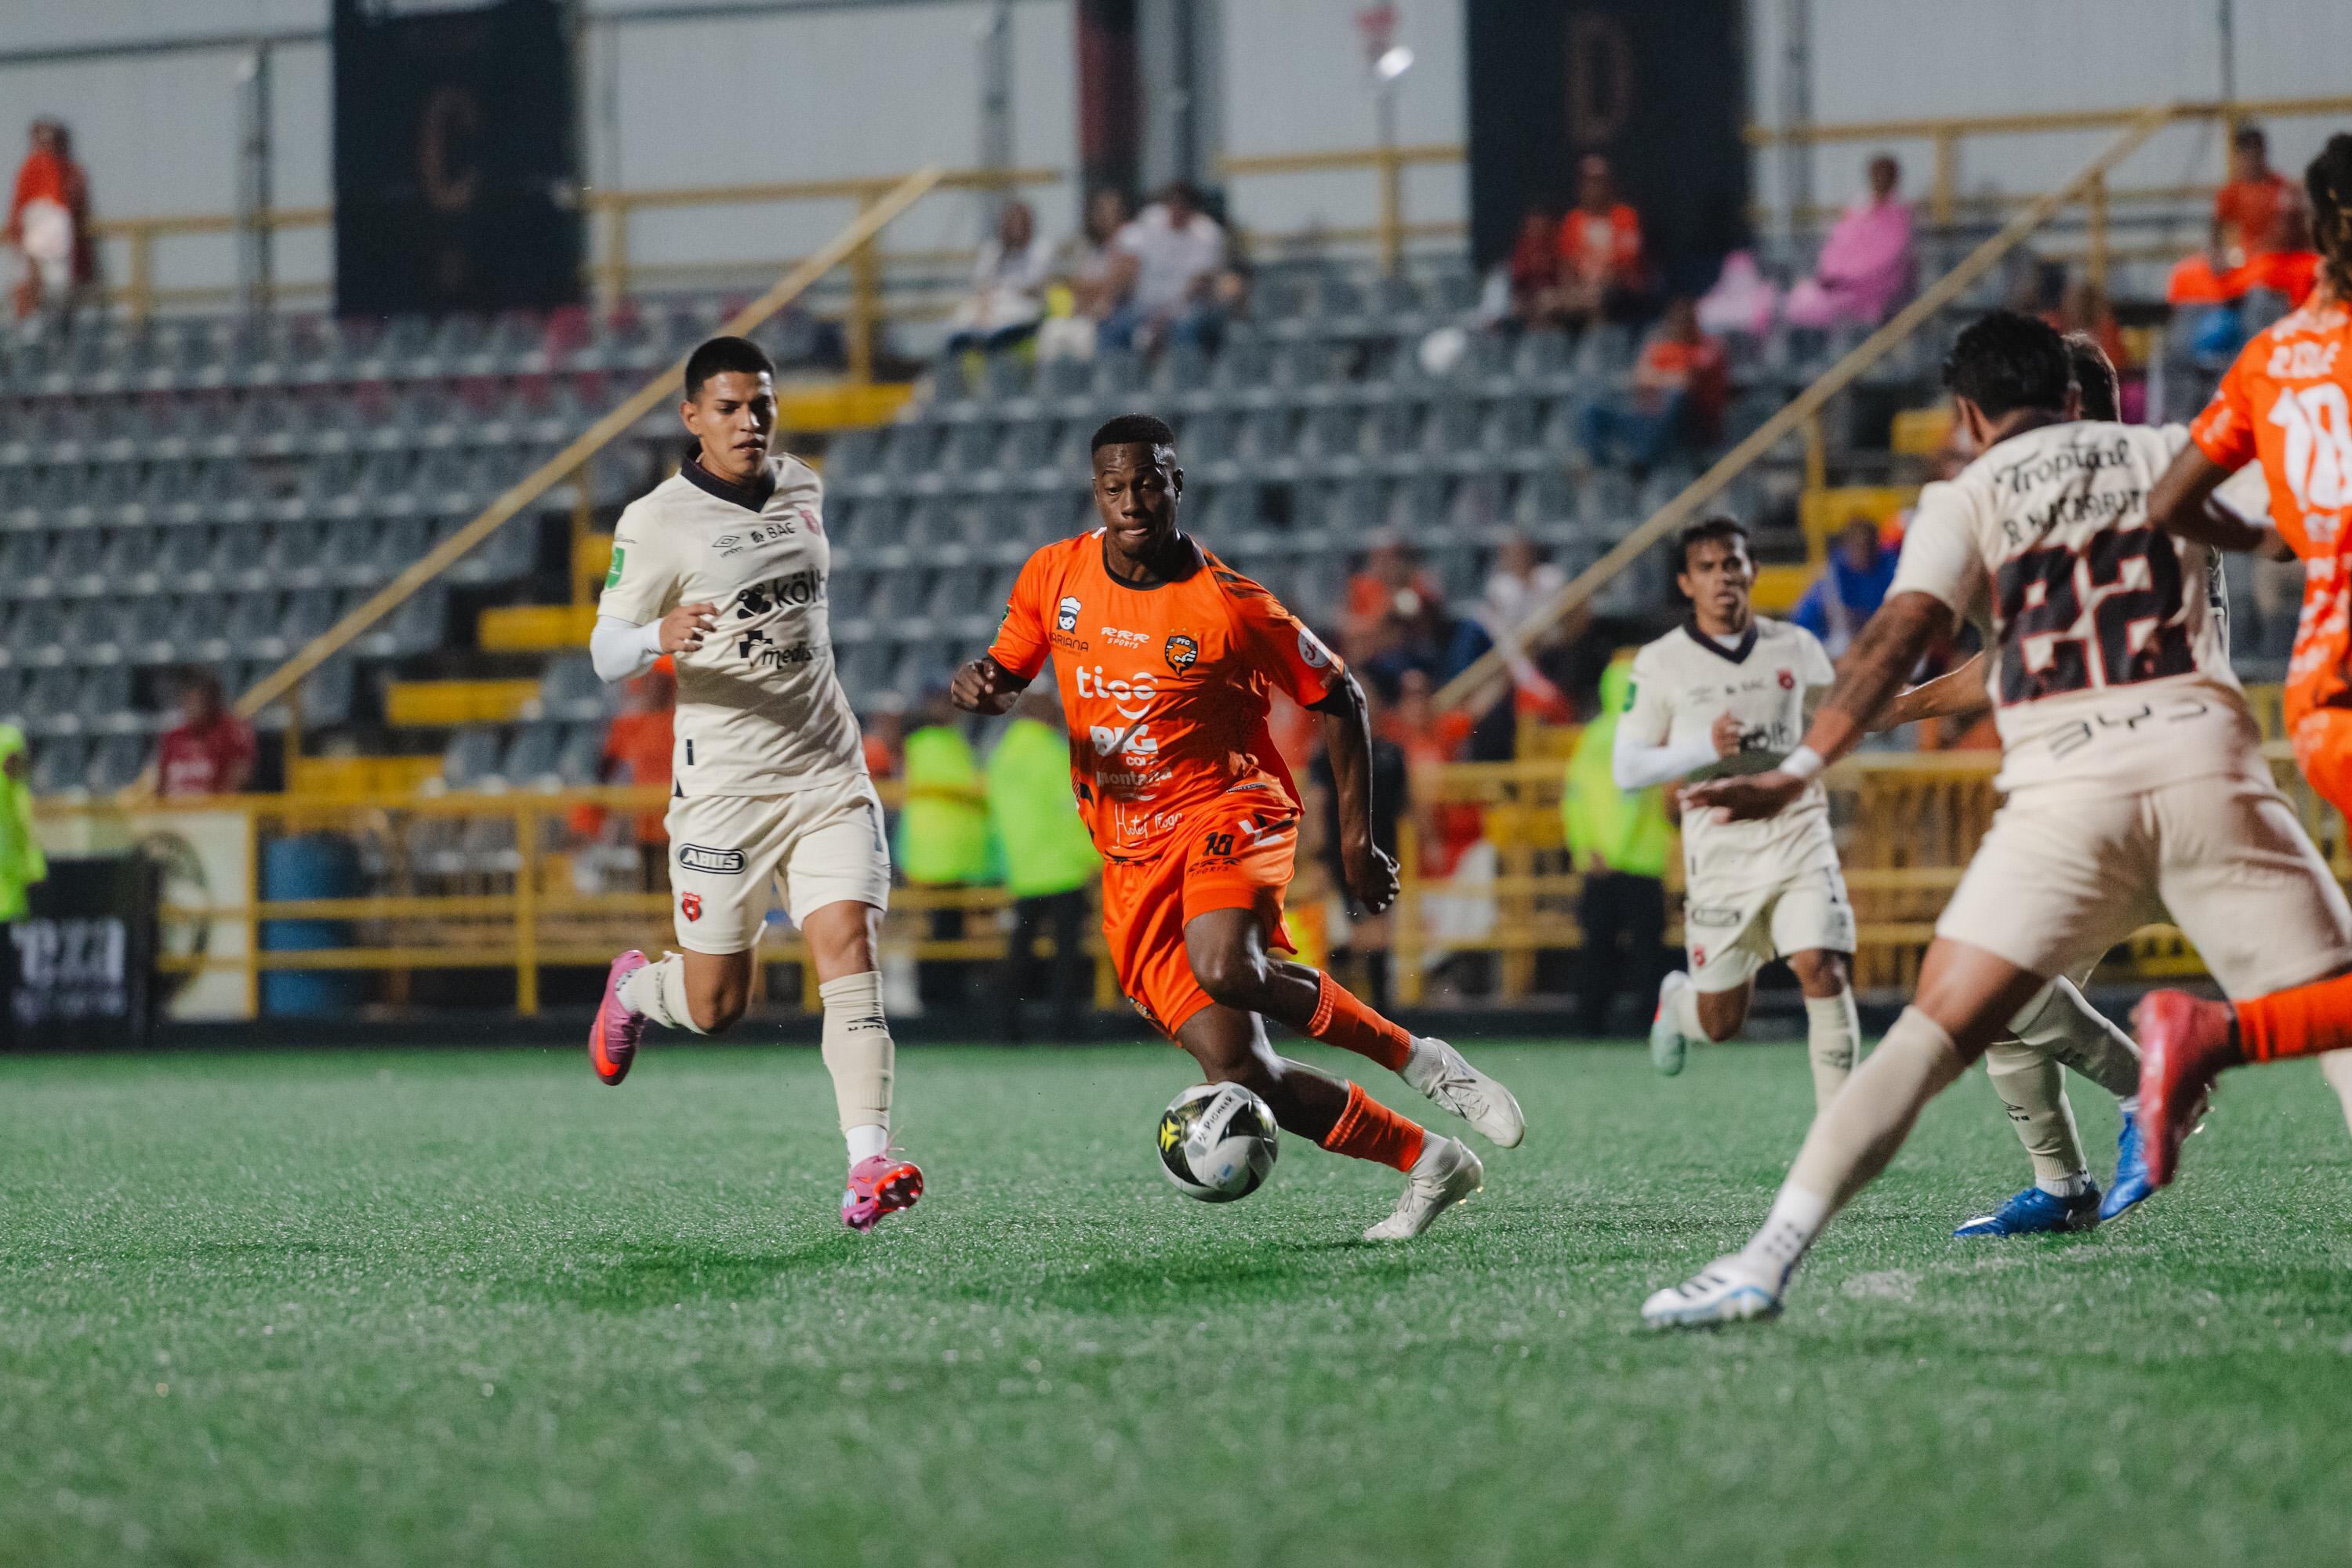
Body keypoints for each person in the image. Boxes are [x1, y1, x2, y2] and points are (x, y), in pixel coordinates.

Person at [1641, 311, 2352, 1327]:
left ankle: (1765, 1259)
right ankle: (2085, 1155)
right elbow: (2297, 528)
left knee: (1933, 1034)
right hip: (2207, 769)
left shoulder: (1968, 491)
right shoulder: (2173, 453)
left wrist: (1807, 760)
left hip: (2067, 796)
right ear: (2074, 396)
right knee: (2337, 1018)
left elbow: (1902, 631)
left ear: (1970, 414)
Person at [952, 414, 1525, 1241]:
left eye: (1149, 482)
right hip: (1131, 855)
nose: (1133, 501)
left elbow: (1342, 698)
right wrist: (983, 686)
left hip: (1232, 809)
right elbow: (1005, 670)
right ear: (1096, 492)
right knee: (1243, 1069)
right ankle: (1430, 1160)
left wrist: (1359, 842)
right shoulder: (1054, 574)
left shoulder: (1229, 603)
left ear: (1177, 484)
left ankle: (1425, 1060)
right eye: (1115, 487)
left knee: (1226, 963)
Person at [586, 335, 922, 1234]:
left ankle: (867, 1162)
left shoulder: (803, 486)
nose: (750, 420)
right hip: (727, 791)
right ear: (691, 417)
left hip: (826, 769)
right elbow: (603, 650)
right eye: (729, 406)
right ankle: (629, 992)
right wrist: (660, 632)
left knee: (848, 950)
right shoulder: (655, 520)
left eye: (762, 402)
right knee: (716, 1005)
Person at [2131, 134, 2352, 1180]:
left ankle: (2218, 1036)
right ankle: (2218, 1036)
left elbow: (2169, 500)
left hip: (2321, 685)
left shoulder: (2272, 357)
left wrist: (2272, 538)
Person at [1613, 517, 1861, 1109]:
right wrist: (1706, 749)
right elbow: (1628, 768)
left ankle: (1842, 1131)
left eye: (1732, 564)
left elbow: (1837, 722)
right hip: (1720, 847)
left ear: (1753, 571)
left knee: (1821, 965)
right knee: (1722, 1021)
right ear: (1686, 582)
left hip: (1797, 827)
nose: (1723, 577)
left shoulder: (1797, 647)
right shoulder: (1660, 662)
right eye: (1707, 567)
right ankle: (1677, 1004)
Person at [1563, 655, 1670, 1038]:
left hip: (1598, 864)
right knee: (1647, 952)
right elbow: (1635, 800)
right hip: (1639, 862)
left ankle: (1590, 1024)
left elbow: (1574, 798)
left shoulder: (1591, 736)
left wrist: (1586, 848)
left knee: (1597, 948)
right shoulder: (1642, 737)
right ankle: (1650, 1026)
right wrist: (1618, 851)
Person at [986, 686, 1100, 1042]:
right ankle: (1063, 1028)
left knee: (1020, 951)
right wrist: (1092, 858)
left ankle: (1006, 1027)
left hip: (1023, 869)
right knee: (1067, 954)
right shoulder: (1053, 755)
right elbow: (1073, 814)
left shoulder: (1002, 756)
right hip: (1063, 867)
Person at [1307, 675, 1409, 1014]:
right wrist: (1319, 854)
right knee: (1356, 932)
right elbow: (1319, 806)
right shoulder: (1327, 757)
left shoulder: (1390, 755)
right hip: (1344, 856)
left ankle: (1367, 1009)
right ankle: (1359, 1009)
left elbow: (1405, 808)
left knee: (1371, 931)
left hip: (1377, 853)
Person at [896, 685, 991, 1014]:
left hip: (949, 854)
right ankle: (937, 999)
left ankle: (943, 995)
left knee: (946, 928)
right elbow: (968, 783)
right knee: (939, 930)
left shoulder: (947, 742)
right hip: (937, 854)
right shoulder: (928, 743)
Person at [1578, 297, 1726, 471]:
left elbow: (1685, 380)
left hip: (1692, 426)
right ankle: (1604, 470)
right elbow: (1639, 376)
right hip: (1647, 419)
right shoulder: (1660, 347)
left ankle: (1644, 463)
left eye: (1686, 321)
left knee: (1677, 398)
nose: (1680, 326)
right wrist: (1665, 377)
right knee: (1592, 409)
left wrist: (1658, 377)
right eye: (1676, 321)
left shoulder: (1708, 347)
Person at [1784, 154, 1915, 329]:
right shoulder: (1858, 210)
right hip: (1840, 283)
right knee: (1799, 301)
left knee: (1815, 304)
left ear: (1894, 179)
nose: (1880, 180)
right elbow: (1839, 244)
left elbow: (1888, 256)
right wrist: (1831, 273)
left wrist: (1846, 276)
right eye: (1877, 175)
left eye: (1885, 175)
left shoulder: (1899, 215)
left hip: (1874, 288)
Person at [1101, 182, 1227, 354]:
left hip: (1186, 309)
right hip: (1145, 306)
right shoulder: (1151, 220)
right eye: (1173, 203)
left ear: (1192, 210)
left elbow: (1199, 285)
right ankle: (1114, 378)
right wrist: (1109, 300)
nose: (1177, 210)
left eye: (1183, 205)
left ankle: (1183, 376)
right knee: (1114, 325)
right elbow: (1124, 256)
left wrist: (1165, 316)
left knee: (1185, 327)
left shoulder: (1206, 233)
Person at [942, 199, 1054, 358]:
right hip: (988, 306)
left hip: (1022, 308)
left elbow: (1034, 287)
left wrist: (1003, 294)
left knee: (998, 328)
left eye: (1018, 222)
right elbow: (981, 284)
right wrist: (985, 307)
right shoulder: (992, 251)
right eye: (1010, 222)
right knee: (959, 326)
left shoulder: (1040, 250)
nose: (1014, 227)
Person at [7, 118, 92, 324]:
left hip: (56, 242)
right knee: (28, 288)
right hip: (36, 242)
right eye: (41, 143)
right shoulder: (30, 170)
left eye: (50, 143)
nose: (45, 150)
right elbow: (20, 209)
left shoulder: (70, 172)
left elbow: (72, 210)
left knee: (58, 288)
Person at [1035, 187, 1131, 364]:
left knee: (1084, 341)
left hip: (1108, 314)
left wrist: (1092, 289)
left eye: (1106, 211)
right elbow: (1077, 286)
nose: (1100, 217)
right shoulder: (1091, 249)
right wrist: (1087, 290)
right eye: (1098, 211)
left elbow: (1115, 283)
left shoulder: (1127, 243)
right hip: (1082, 312)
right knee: (1051, 331)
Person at [601, 662, 675, 886]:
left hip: (680, 823)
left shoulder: (683, 722)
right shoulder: (630, 725)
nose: (655, 687)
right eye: (650, 681)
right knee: (652, 888)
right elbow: (605, 772)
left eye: (661, 682)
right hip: (646, 826)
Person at [1554, 154, 1646, 329]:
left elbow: (1628, 265)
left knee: (1597, 303)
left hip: (1620, 290)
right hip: (1582, 290)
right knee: (1547, 303)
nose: (1593, 187)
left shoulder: (1626, 216)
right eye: (1587, 181)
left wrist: (1597, 287)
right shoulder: (1573, 220)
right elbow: (1566, 264)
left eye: (1598, 181)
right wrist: (1572, 291)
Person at [1792, 517, 1898, 660]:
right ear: (1847, 547)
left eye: (1866, 546)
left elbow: (1896, 611)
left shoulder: (1890, 568)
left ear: (1875, 545)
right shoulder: (1834, 572)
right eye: (1856, 546)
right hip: (1844, 639)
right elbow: (1803, 618)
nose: (1862, 553)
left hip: (1884, 637)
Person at [155, 669, 256, 797]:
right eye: (187, 701)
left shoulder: (231, 734)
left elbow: (237, 783)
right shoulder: (173, 737)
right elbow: (161, 786)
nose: (190, 707)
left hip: (217, 812)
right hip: (175, 812)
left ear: (211, 702)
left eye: (195, 701)